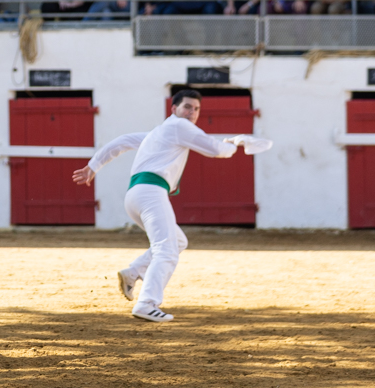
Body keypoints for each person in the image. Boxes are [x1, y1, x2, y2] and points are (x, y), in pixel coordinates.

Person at [73, 89, 247, 322]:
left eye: (196, 109)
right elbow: (217, 150)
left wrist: (94, 165)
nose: (192, 113)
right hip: (151, 193)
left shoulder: (160, 132)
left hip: (135, 195)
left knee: (177, 242)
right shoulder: (179, 126)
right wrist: (236, 144)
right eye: (187, 107)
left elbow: (122, 141)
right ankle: (146, 303)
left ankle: (133, 272)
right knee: (166, 249)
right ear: (173, 109)